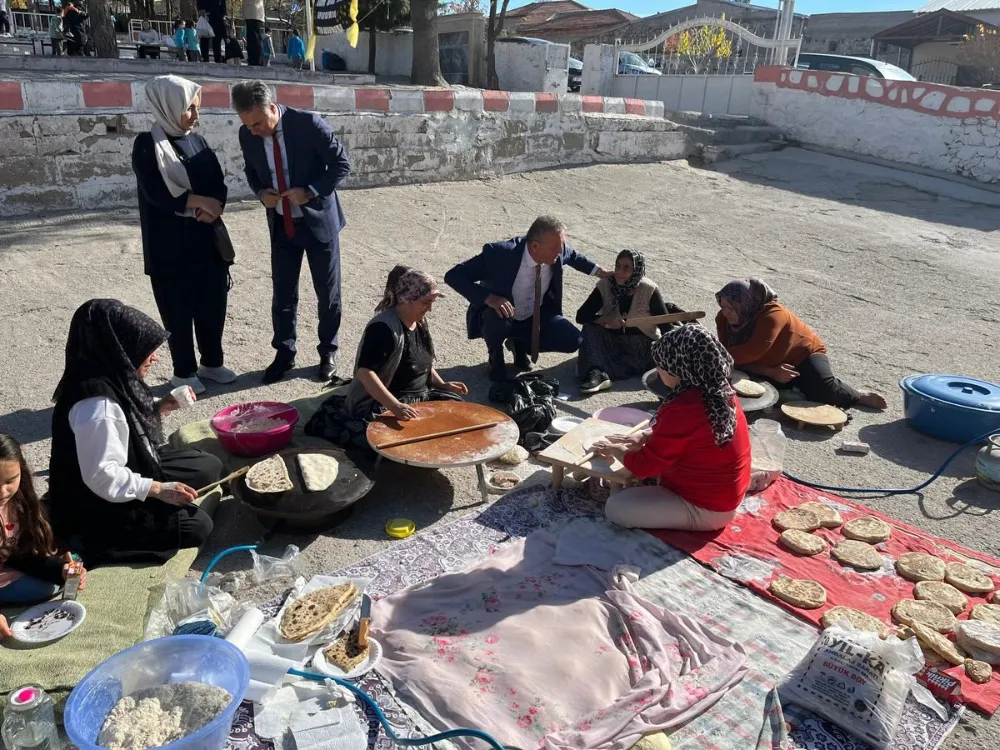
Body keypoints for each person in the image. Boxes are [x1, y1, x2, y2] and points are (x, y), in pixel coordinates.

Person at [48, 300, 223, 566]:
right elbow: (102, 476)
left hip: (128, 464)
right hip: (95, 500)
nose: (155, 357)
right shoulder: (97, 406)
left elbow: (126, 428)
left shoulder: (108, 375)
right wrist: (157, 489)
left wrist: (161, 407)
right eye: (146, 349)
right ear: (120, 347)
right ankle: (92, 538)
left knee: (208, 465)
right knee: (197, 526)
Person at [232, 80, 351, 384]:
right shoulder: (248, 134)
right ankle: (284, 353)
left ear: (273, 107)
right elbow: (250, 170)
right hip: (282, 224)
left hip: (318, 222)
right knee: (283, 293)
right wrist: (261, 192)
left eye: (258, 122)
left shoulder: (307, 124)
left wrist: (310, 191)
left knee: (327, 293)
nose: (254, 130)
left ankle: (328, 352)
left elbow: (340, 164)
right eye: (248, 125)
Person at [132, 75, 236, 396]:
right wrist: (197, 202)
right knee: (178, 312)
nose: (195, 115)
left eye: (196, 108)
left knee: (212, 306)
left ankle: (212, 363)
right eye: (189, 108)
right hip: (170, 249)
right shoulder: (147, 145)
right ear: (168, 106)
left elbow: (218, 180)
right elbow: (155, 193)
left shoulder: (198, 141)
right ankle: (184, 372)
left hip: (206, 244)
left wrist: (215, 204)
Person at [593, 324, 751, 531]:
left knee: (616, 507)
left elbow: (643, 467)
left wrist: (616, 450)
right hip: (725, 492)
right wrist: (647, 435)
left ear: (679, 368)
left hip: (707, 508)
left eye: (662, 366)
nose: (658, 371)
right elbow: (693, 435)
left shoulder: (683, 408)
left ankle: (692, 518)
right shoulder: (719, 388)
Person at [306, 266, 467, 451]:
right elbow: (365, 373)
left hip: (421, 396)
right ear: (408, 299)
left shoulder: (419, 320)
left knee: (458, 417)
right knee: (390, 444)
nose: (429, 309)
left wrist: (442, 385)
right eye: (426, 302)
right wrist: (395, 406)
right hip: (388, 400)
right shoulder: (383, 328)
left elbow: (422, 362)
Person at [445, 216, 610, 382]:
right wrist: (490, 298)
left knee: (573, 341)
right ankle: (495, 358)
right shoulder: (499, 254)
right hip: (501, 315)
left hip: (535, 315)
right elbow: (454, 276)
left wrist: (600, 272)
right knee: (495, 316)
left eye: (561, 246)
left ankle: (519, 344)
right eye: (555, 248)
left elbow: (573, 255)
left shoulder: (557, 252)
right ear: (535, 246)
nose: (560, 252)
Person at [715, 278, 887, 410]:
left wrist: (713, 357)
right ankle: (792, 387)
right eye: (723, 306)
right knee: (737, 385)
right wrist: (770, 371)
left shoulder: (773, 315)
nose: (725, 313)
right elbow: (732, 358)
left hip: (803, 356)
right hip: (766, 364)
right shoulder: (723, 318)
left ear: (746, 305)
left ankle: (858, 396)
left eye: (731, 308)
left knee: (824, 391)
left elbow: (746, 353)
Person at [575, 248, 685, 395]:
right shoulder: (606, 285)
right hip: (612, 344)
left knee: (668, 357)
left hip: (643, 348)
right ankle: (598, 374)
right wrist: (605, 319)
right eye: (618, 266)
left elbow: (666, 328)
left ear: (637, 270)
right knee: (589, 329)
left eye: (627, 268)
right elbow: (581, 316)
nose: (620, 272)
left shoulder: (648, 289)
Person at [0, 434, 88, 606]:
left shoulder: (18, 503)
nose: (3, 492)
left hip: (12, 564)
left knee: (68, 569)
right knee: (44, 588)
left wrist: (59, 569)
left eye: (10, 480)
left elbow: (20, 554)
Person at [242, 0, 264, 65]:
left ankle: (256, 61)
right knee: (253, 38)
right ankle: (256, 61)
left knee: (254, 38)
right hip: (252, 11)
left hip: (252, 11)